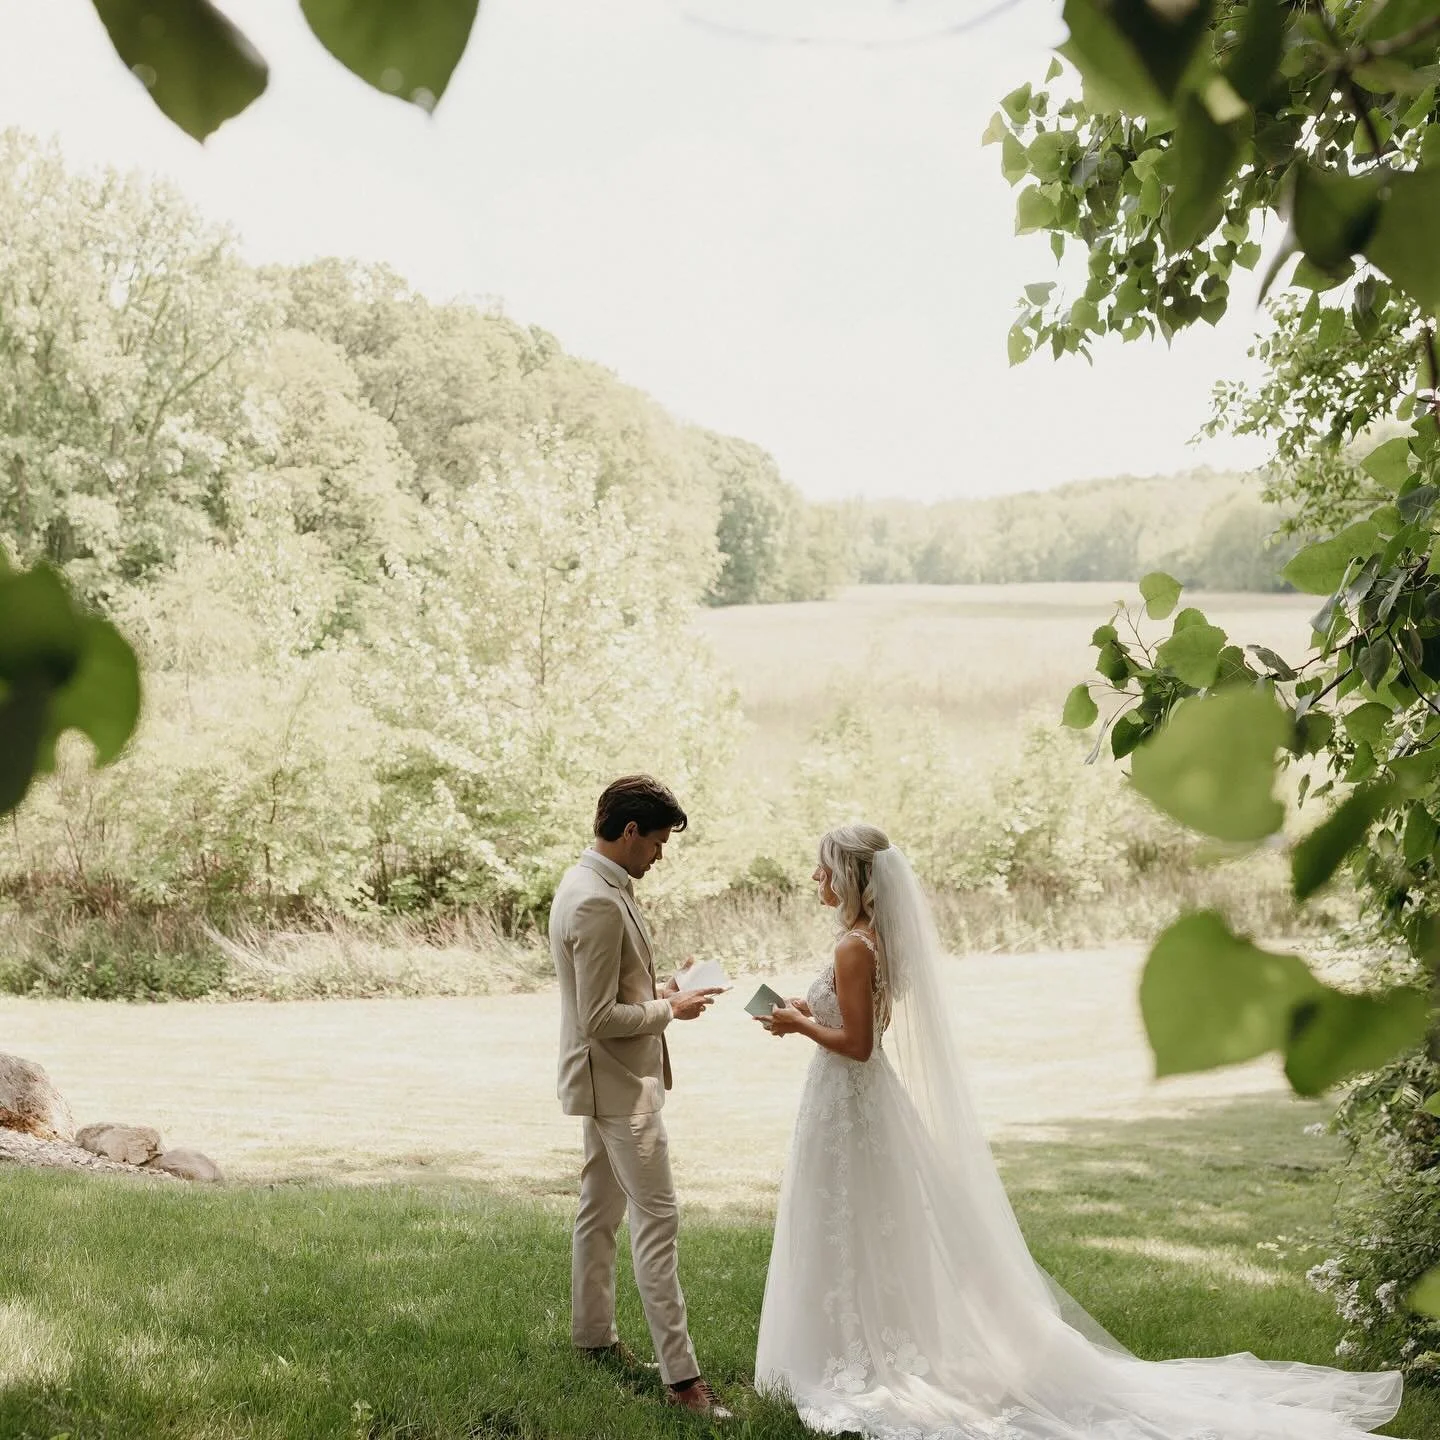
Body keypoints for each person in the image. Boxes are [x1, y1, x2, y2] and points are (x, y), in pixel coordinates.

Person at [753, 822, 1406, 1439]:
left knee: (852, 1222)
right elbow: (863, 1021)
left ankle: (858, 1357)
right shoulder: (871, 941)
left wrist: (797, 1025)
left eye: (823, 866)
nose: (815, 876)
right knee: (860, 1224)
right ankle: (855, 1343)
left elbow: (863, 1044)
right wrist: (812, 1010)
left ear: (848, 873)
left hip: (850, 1099)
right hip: (850, 1105)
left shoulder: (852, 944)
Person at [549, 774, 731, 1417]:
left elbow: (614, 988)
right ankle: (684, 1382)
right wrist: (669, 1010)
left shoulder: (591, 882)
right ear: (630, 833)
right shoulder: (595, 899)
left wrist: (668, 985)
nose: (659, 855)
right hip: (619, 1088)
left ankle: (592, 1338)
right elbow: (598, 1017)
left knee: (598, 1213)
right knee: (659, 1221)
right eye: (656, 843)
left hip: (606, 1082)